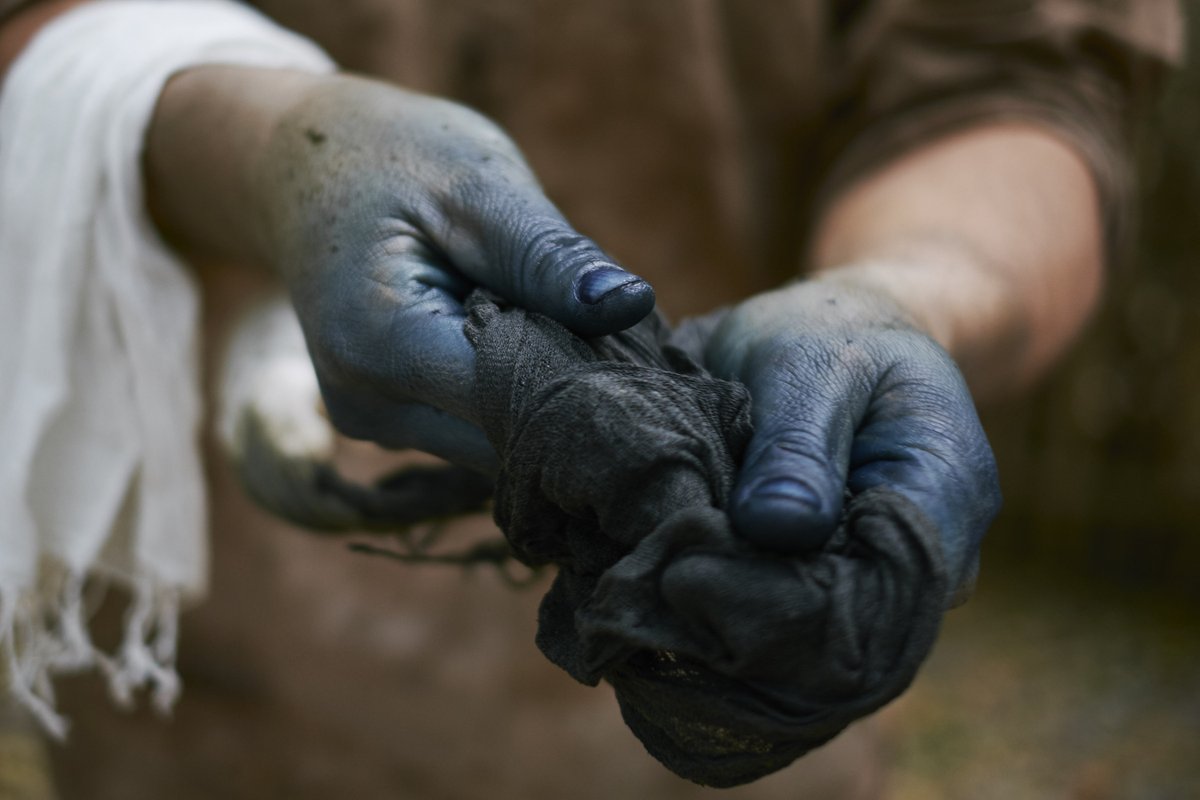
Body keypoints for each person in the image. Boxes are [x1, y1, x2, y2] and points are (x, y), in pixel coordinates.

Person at [0, 0, 1182, 796]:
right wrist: (272, 151)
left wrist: (907, 293)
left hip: (720, 701)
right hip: (206, 700)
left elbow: (1023, 82)